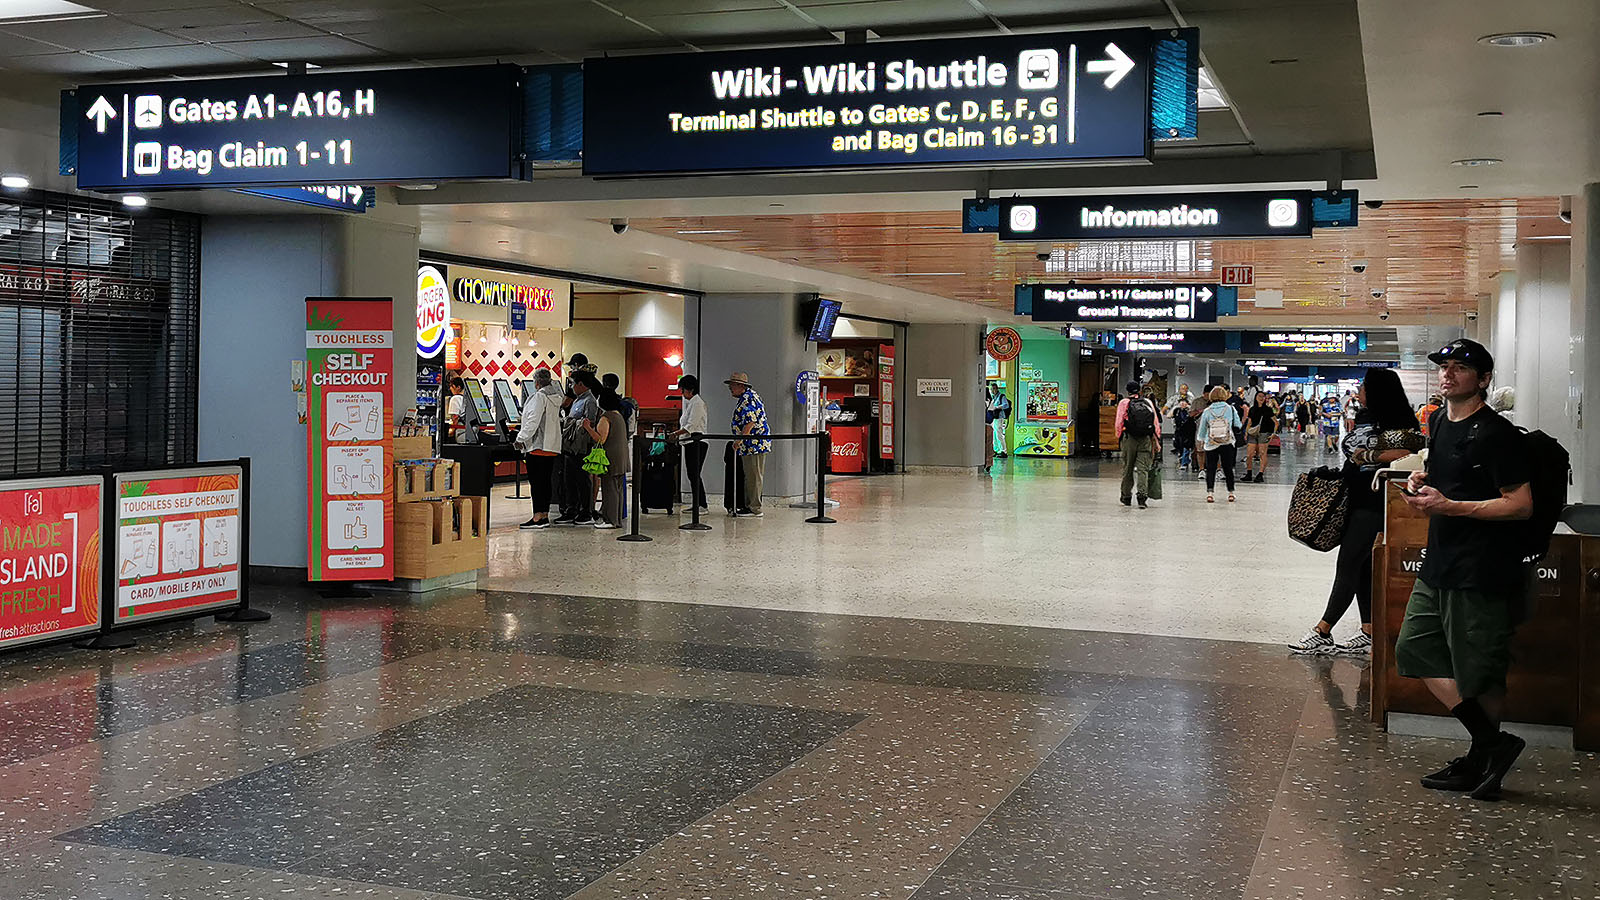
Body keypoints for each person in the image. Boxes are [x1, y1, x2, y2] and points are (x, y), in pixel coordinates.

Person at [1394, 338, 1532, 800]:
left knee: (1479, 671)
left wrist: (1452, 507)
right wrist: (1421, 479)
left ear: (1484, 380)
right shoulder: (1437, 422)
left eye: (1460, 368)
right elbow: (1444, 472)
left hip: (1481, 568)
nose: (1447, 374)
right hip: (1440, 561)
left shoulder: (1498, 434)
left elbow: (1520, 505)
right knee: (1414, 648)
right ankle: (1494, 746)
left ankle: (1482, 760)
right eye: (1444, 367)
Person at [1290, 368, 1425, 655]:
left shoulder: (1400, 422)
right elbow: (1352, 447)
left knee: (1348, 564)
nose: (1359, 391)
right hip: (1355, 496)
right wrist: (1366, 456)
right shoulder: (1367, 418)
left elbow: (1408, 454)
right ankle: (1368, 630)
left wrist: (1368, 455)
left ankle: (1323, 631)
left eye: (1364, 386)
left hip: (1375, 502)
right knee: (1362, 566)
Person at [513, 368, 564, 529]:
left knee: (536, 483)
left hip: (537, 446)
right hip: (551, 446)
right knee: (546, 482)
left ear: (536, 382)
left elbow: (532, 421)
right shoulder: (556, 398)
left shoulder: (539, 397)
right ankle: (545, 515)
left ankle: (537, 517)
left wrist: (520, 438)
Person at [553, 372, 602, 526]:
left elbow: (590, 423)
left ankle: (585, 511)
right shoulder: (577, 400)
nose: (571, 387)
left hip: (581, 446)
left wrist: (574, 423)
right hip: (570, 446)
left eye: (573, 383)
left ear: (581, 384)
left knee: (582, 479)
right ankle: (571, 509)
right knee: (569, 479)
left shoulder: (590, 401)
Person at [581, 390, 629, 529]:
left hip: (610, 458)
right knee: (618, 489)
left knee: (610, 489)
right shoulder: (618, 415)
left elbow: (600, 439)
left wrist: (588, 428)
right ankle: (617, 519)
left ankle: (610, 521)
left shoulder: (606, 417)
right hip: (622, 457)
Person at [726, 371, 771, 517]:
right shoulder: (749, 397)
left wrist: (739, 440)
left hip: (754, 444)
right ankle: (750, 505)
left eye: (732, 385)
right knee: (751, 476)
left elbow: (750, 422)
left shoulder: (748, 400)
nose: (730, 389)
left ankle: (755, 508)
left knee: (754, 476)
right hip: (752, 444)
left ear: (740, 386)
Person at [1114, 381, 1159, 509]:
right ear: (1139, 390)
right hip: (1145, 439)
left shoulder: (1124, 403)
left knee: (1127, 468)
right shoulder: (1147, 402)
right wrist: (1156, 440)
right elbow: (1155, 422)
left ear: (1127, 390)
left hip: (1129, 439)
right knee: (1143, 470)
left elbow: (1119, 422)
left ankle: (1126, 496)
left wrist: (1119, 438)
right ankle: (1142, 498)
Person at [1196, 386, 1240, 503]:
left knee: (1211, 467)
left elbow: (1202, 430)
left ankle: (1210, 493)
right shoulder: (1230, 409)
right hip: (1227, 441)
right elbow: (1238, 424)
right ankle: (1231, 492)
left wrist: (1201, 439)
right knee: (1227, 468)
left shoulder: (1207, 411)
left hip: (1211, 442)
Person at [671, 374, 709, 511]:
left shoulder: (697, 403)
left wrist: (675, 434)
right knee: (692, 474)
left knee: (694, 474)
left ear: (690, 389)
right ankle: (697, 504)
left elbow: (691, 426)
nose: (682, 393)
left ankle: (701, 504)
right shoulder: (692, 403)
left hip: (696, 441)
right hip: (689, 442)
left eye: (683, 390)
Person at [1243, 391, 1278, 483]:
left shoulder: (1268, 410)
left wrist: (1273, 433)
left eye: (1263, 396)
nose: (1261, 398)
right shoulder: (1252, 409)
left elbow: (1276, 422)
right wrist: (1246, 432)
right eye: (1259, 396)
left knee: (1262, 453)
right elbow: (1249, 422)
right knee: (1249, 454)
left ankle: (1260, 473)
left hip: (1264, 433)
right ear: (1256, 397)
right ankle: (1249, 473)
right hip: (1253, 433)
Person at [1171, 396, 1195, 470]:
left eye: (1184, 402)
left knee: (1187, 446)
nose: (1182, 404)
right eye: (1180, 402)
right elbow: (1169, 415)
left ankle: (1186, 462)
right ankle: (1184, 460)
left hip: (1189, 431)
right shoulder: (1177, 411)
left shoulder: (1189, 411)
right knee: (1180, 446)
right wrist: (1175, 408)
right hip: (1179, 431)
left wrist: (1189, 408)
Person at [443, 376, 468, 443]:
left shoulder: (455, 398)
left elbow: (455, 417)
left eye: (451, 386)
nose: (450, 389)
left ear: (458, 387)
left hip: (461, 432)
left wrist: (451, 433)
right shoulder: (466, 398)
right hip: (469, 431)